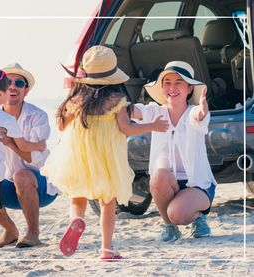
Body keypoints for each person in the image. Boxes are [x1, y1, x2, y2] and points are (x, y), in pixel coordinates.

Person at [41, 45, 169, 260]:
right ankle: (107, 249)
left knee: (77, 196)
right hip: (107, 159)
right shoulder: (117, 101)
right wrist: (152, 125)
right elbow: (127, 129)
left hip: (78, 156)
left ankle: (76, 220)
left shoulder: (75, 101)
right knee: (107, 203)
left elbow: (62, 127)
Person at [0, 63, 58, 248]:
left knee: (21, 174)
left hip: (40, 186)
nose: (13, 86)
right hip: (6, 185)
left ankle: (33, 234)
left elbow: (34, 159)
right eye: (8, 82)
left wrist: (11, 143)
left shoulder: (37, 116)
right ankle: (10, 231)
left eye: (19, 83)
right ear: (0, 90)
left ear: (26, 90)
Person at [132, 61, 217, 241]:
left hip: (197, 186)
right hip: (168, 183)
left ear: (188, 89)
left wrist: (203, 110)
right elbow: (136, 112)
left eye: (178, 82)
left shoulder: (193, 111)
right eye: (167, 83)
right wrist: (115, 103)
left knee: (177, 213)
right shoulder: (157, 111)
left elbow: (199, 117)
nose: (172, 87)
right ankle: (169, 227)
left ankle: (198, 217)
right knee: (158, 176)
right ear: (162, 88)